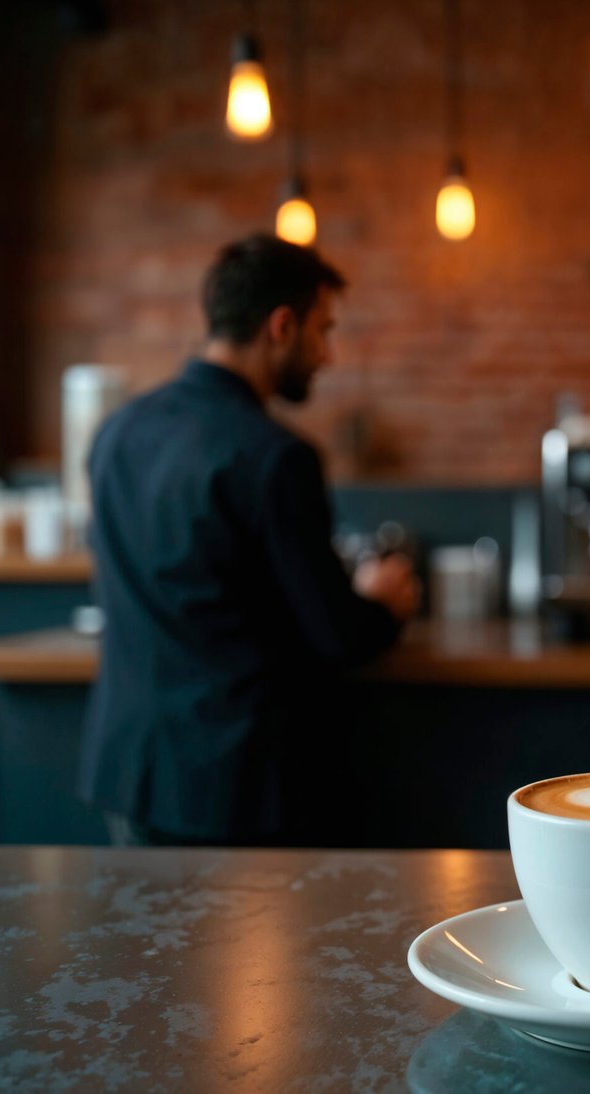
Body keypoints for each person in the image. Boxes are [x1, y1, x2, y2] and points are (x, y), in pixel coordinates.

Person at [77, 234, 420, 846]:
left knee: (143, 917)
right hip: (231, 788)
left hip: (129, 773)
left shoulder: (117, 432)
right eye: (323, 330)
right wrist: (382, 602)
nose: (328, 355)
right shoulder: (275, 458)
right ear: (282, 326)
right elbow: (337, 637)